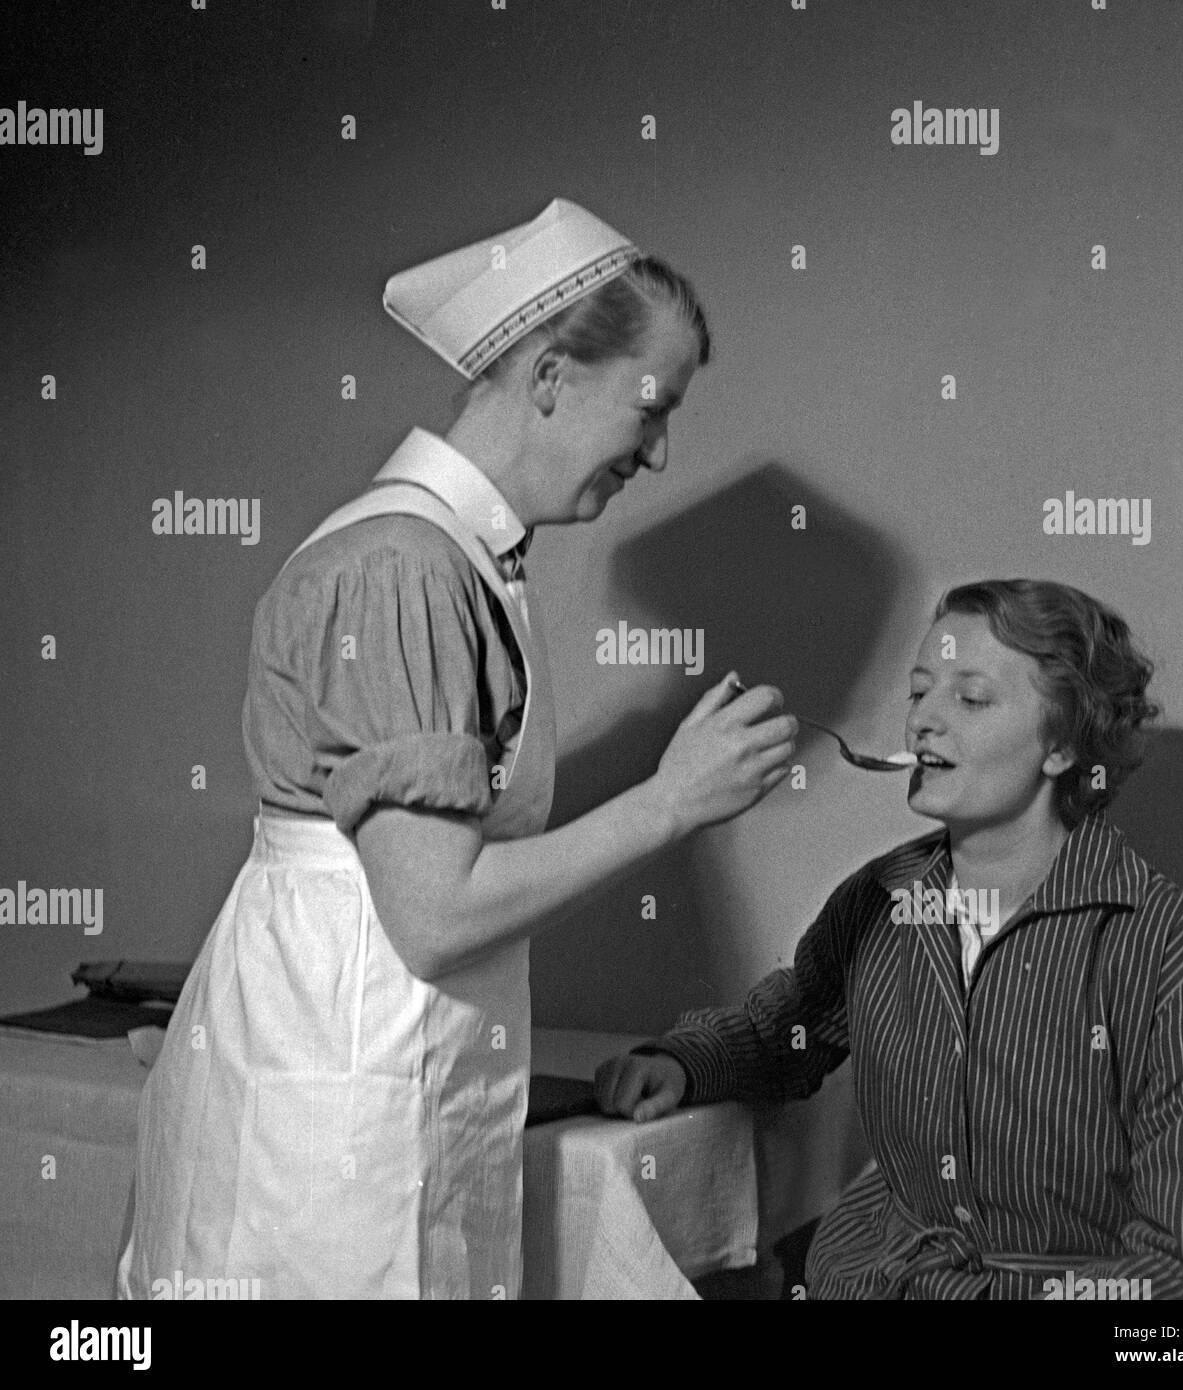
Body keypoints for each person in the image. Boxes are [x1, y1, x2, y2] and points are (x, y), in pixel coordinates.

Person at [116, 197, 797, 1300]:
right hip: (346, 1079)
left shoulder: (461, 561)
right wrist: (670, 802)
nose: (660, 453)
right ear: (548, 380)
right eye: (652, 407)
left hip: (382, 1057)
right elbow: (433, 917)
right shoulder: (407, 567)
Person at [597, 579, 1183, 1299]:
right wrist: (679, 1062)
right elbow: (780, 1033)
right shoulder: (882, 900)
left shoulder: (1170, 956)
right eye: (920, 692)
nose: (922, 722)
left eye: (970, 699)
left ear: (1064, 745)